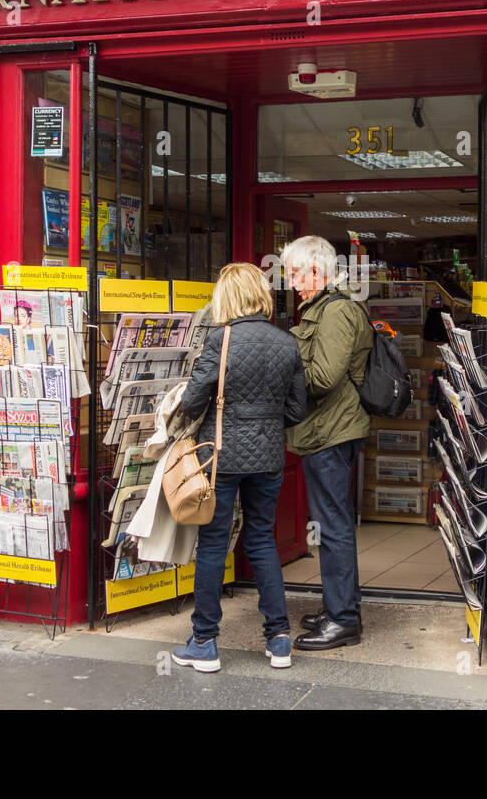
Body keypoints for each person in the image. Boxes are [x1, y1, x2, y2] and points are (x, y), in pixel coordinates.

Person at [169, 263, 306, 673]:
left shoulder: (219, 339)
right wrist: (263, 424)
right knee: (261, 540)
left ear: (225, 298)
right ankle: (279, 638)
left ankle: (205, 641)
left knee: (213, 544)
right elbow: (297, 409)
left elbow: (192, 402)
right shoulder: (287, 342)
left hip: (221, 458)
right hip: (268, 459)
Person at [281, 235, 374, 652]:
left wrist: (282, 369)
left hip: (331, 434)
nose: (292, 283)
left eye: (296, 274)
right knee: (328, 526)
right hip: (325, 431)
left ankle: (343, 621)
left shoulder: (336, 313)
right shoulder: (323, 309)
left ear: (317, 272)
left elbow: (322, 379)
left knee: (333, 529)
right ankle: (339, 606)